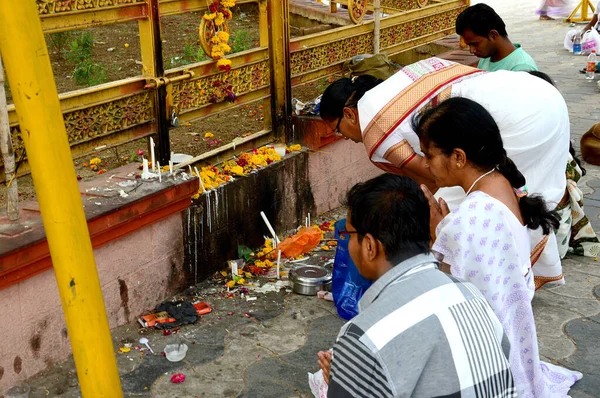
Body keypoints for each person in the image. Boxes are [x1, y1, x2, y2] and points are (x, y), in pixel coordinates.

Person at [320, 57, 569, 289]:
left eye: (339, 131)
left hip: (522, 119)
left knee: (447, 208)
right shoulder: (396, 84)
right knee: (512, 193)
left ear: (350, 114)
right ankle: (515, 273)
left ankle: (474, 276)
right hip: (538, 93)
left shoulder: (375, 129)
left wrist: (435, 229)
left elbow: (430, 177)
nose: (346, 139)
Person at [413, 97, 582, 397]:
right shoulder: (500, 181)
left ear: (459, 158)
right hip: (512, 341)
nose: (425, 163)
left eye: (428, 155)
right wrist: (446, 231)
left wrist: (437, 236)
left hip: (487, 357)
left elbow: (448, 293)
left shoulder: (470, 219)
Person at [317, 174, 516, 397]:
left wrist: (345, 380)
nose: (349, 243)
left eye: (349, 234)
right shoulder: (472, 295)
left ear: (370, 246)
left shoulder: (364, 338)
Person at [455, 4, 538, 72]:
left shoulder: (521, 68)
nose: (471, 50)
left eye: (475, 44)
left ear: (492, 35)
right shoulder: (488, 56)